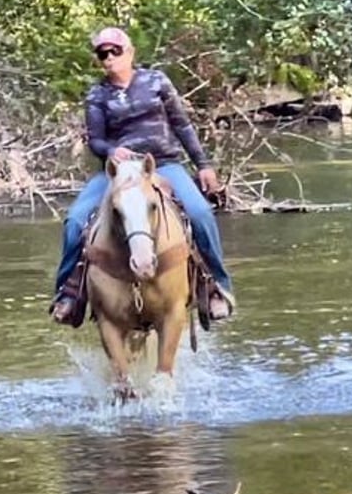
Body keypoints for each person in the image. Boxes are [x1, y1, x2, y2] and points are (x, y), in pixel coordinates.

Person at [50, 26, 235, 324]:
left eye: (115, 51)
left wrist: (203, 164)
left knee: (200, 214)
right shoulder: (97, 94)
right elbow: (95, 139)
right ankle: (69, 294)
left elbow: (181, 124)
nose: (110, 58)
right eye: (103, 54)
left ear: (130, 52)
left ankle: (216, 288)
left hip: (163, 164)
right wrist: (111, 150)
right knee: (75, 221)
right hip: (120, 172)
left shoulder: (156, 81)